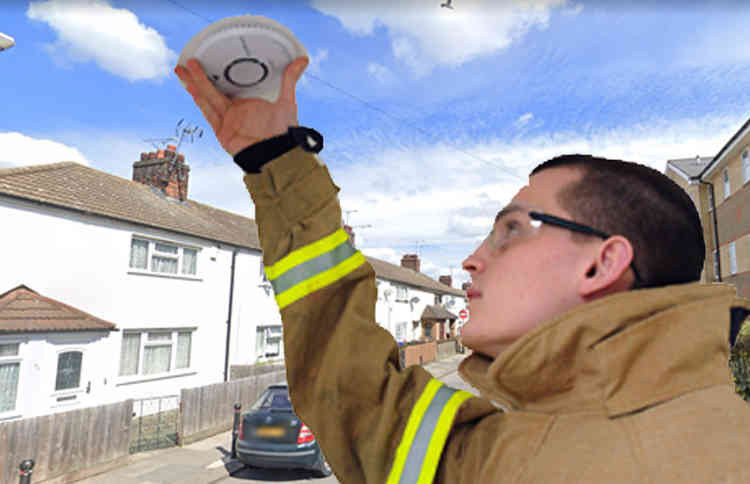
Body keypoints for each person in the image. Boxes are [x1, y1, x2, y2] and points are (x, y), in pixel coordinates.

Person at [175, 56, 750, 483]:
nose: (473, 259)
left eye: (512, 231)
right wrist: (274, 157)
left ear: (602, 262)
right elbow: (355, 397)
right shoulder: (500, 446)